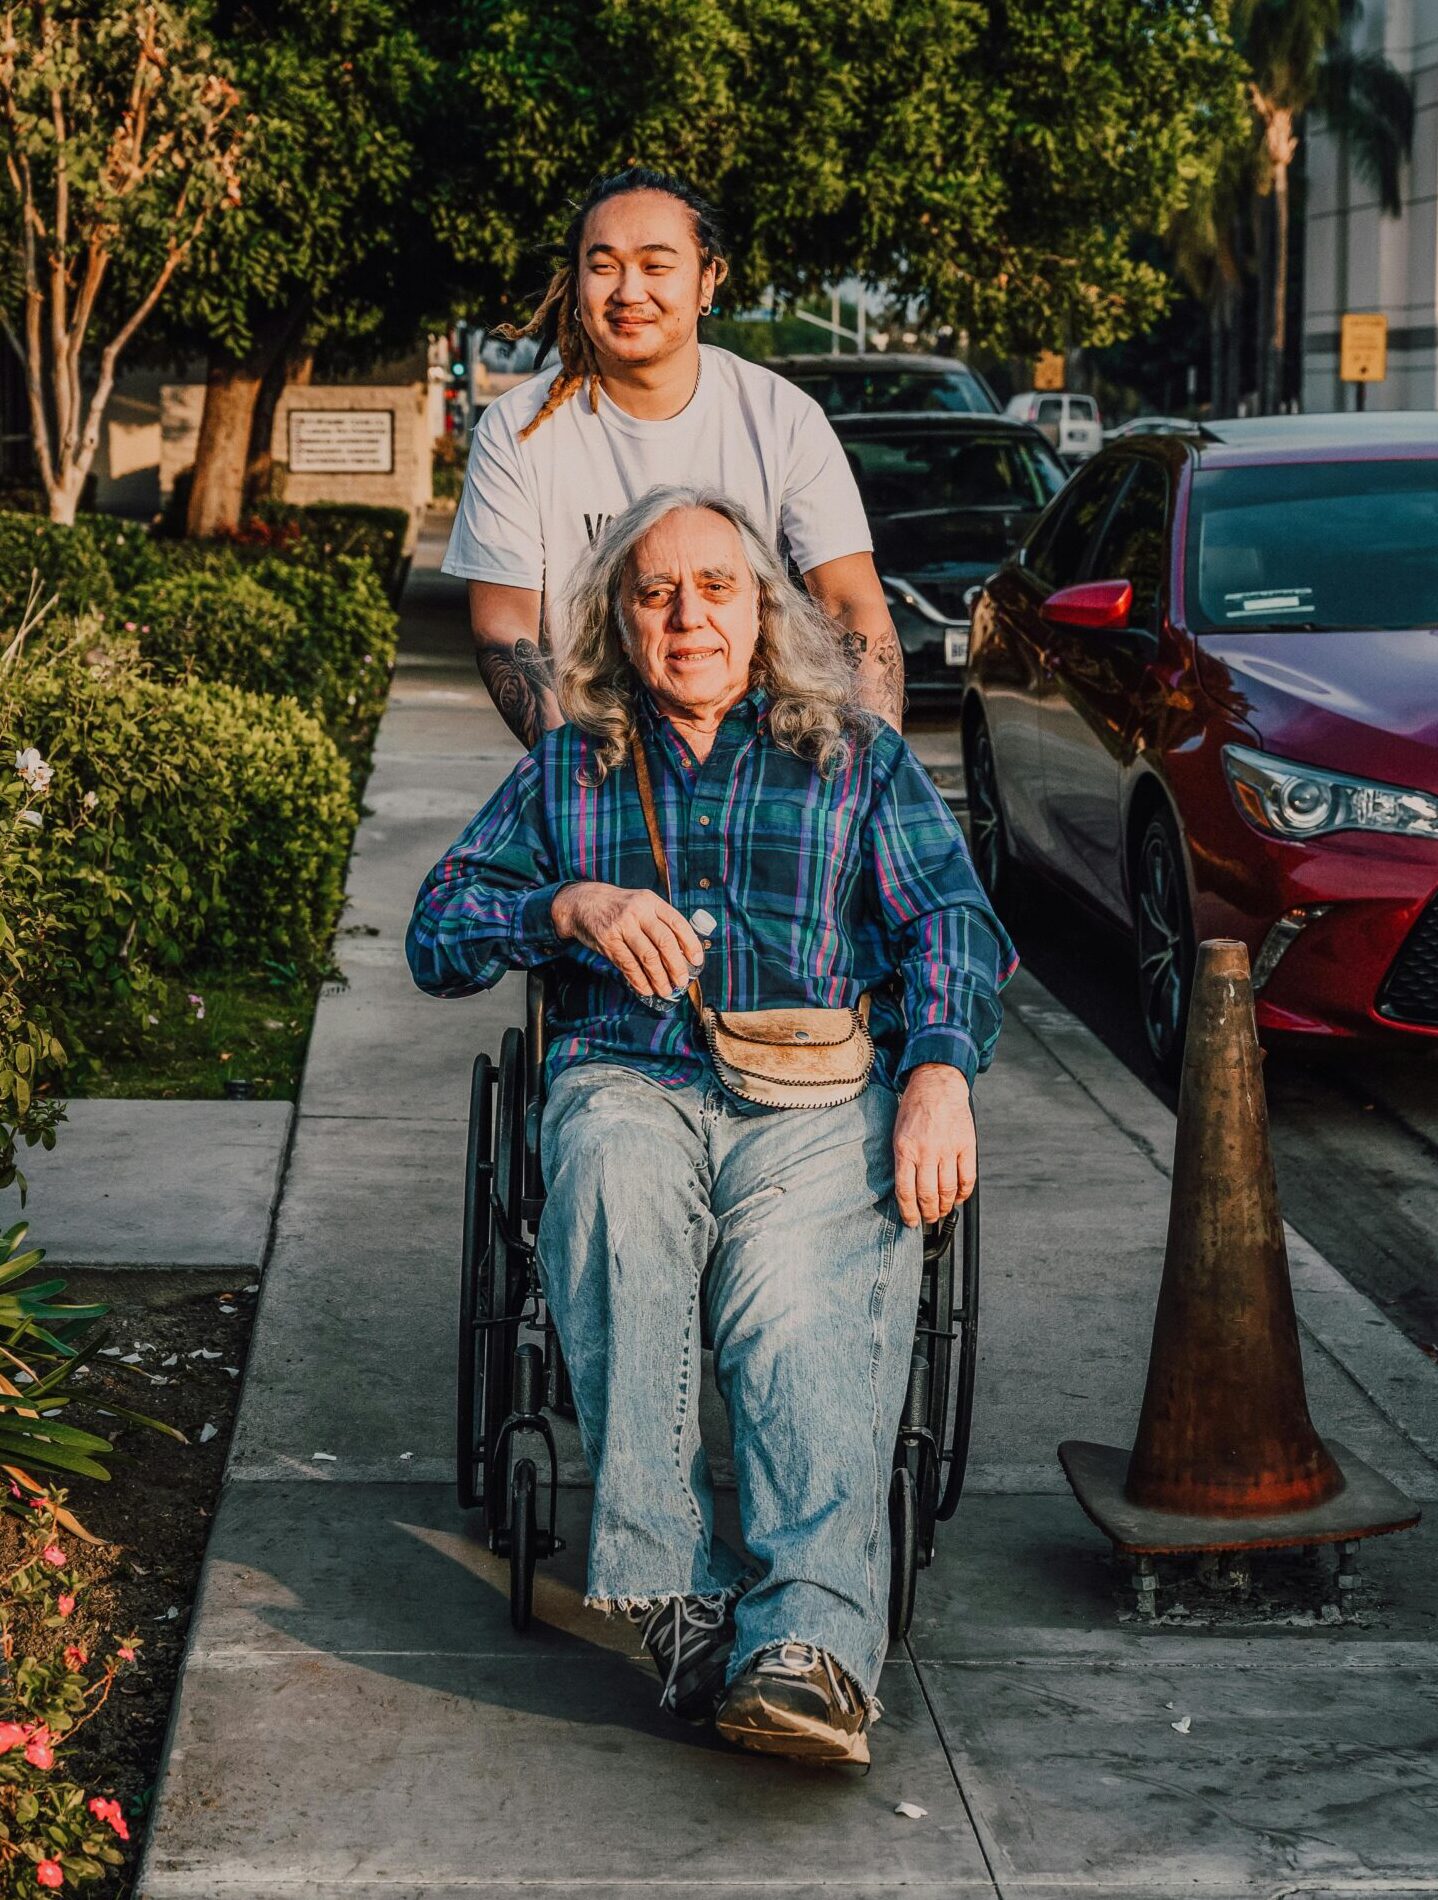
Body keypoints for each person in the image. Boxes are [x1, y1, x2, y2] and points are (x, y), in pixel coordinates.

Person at [409, 488, 1014, 1766]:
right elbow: (437, 929)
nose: (689, 617)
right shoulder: (568, 768)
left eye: (718, 588)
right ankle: (680, 1593)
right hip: (626, 1078)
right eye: (655, 592)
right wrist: (566, 904)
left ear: (762, 609)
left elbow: (951, 921)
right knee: (616, 1197)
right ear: (620, 622)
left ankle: (808, 1643)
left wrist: (941, 1069)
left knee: (797, 1294)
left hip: (810, 1090)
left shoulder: (851, 755)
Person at [443, 166, 904, 745]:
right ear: (575, 281)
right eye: (603, 266)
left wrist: (876, 775)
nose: (629, 291)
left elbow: (851, 607)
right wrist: (578, 777)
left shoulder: (783, 419)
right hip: (594, 756)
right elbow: (505, 629)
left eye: (656, 266)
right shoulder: (517, 430)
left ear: (707, 280)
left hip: (765, 760)